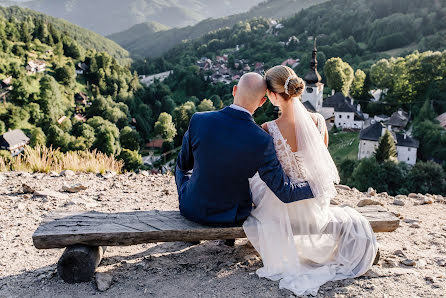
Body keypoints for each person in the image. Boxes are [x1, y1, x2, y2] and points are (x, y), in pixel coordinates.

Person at [243, 65, 378, 296]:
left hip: (282, 203)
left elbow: (270, 171)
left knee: (253, 181)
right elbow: (319, 161)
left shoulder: (268, 129)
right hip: (314, 200)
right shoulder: (317, 121)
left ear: (274, 96)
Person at [175, 72, 314, 227]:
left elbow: (183, 165)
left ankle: (194, 197)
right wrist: (316, 187)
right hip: (231, 216)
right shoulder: (262, 139)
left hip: (191, 208)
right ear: (262, 102)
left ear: (234, 90)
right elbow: (285, 192)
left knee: (182, 170)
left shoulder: (199, 120)